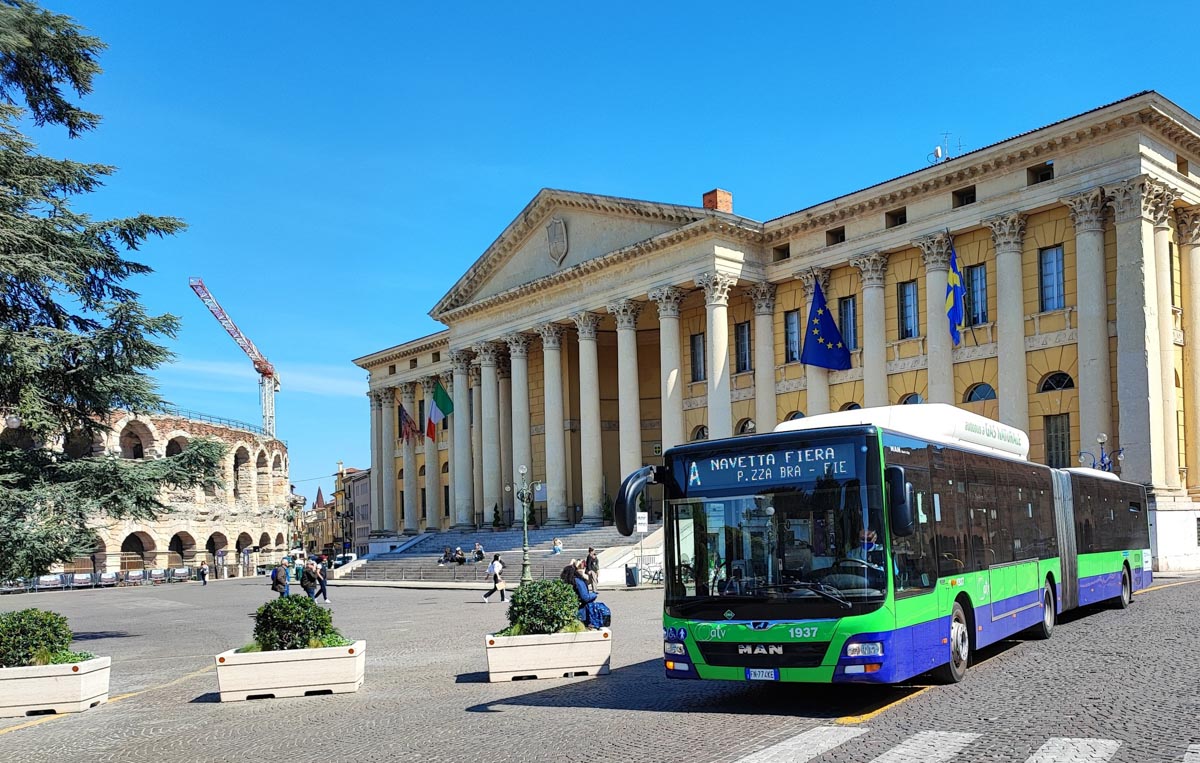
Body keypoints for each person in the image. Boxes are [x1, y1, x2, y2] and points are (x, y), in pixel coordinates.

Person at [562, 562, 610, 629]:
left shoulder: (566, 582)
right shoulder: (578, 581)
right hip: (581, 611)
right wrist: (594, 594)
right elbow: (585, 597)